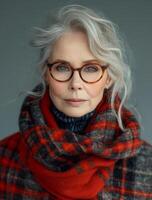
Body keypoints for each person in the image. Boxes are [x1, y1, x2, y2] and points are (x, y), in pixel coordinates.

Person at [0, 4, 152, 200]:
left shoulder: (146, 166)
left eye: (90, 69)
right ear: (46, 73)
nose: (76, 84)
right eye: (62, 67)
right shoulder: (5, 157)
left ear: (109, 77)